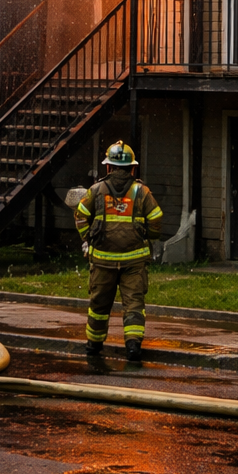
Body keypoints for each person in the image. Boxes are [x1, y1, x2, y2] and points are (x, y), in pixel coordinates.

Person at [74, 141, 164, 364]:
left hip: (102, 261)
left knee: (99, 305)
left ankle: (94, 346)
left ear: (108, 167)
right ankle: (133, 346)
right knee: (133, 305)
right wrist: (149, 236)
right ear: (132, 168)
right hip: (134, 262)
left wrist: (88, 238)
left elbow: (81, 216)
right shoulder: (141, 192)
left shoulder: (96, 190)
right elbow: (156, 218)